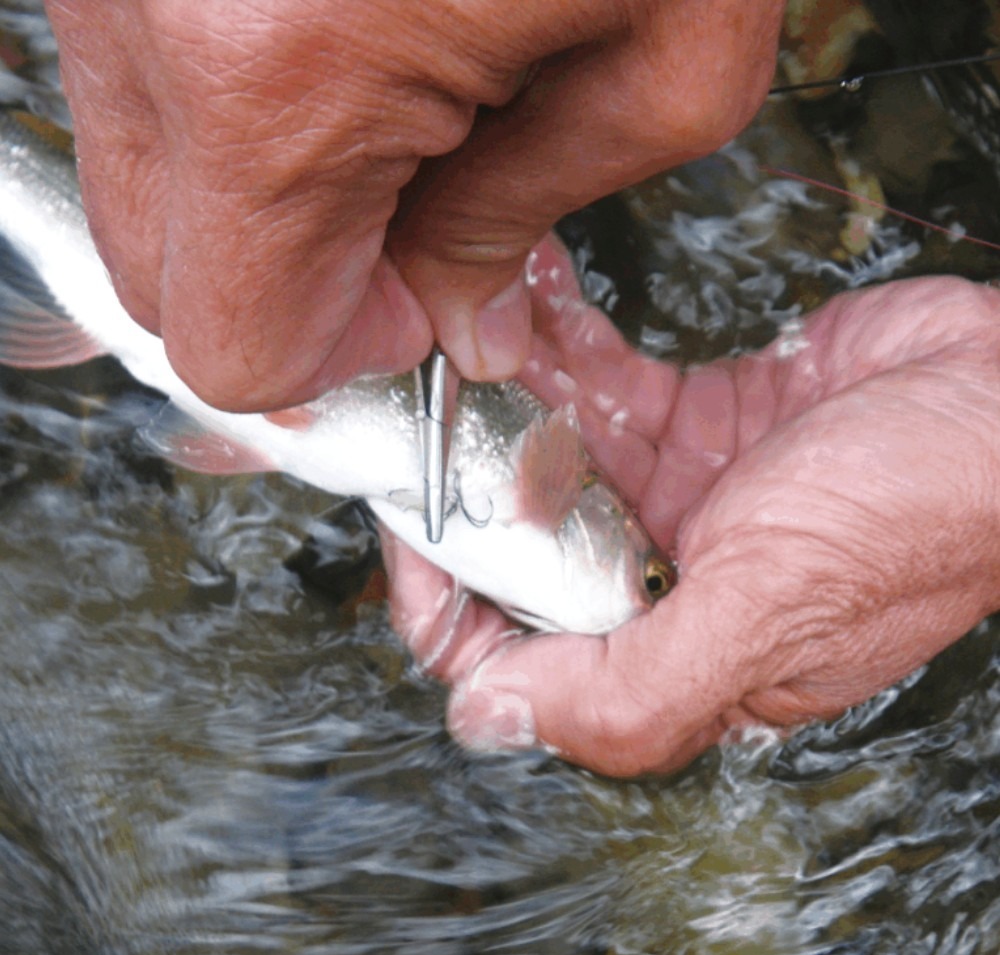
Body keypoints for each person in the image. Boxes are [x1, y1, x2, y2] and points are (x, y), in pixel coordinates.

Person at [46, 0, 1000, 775]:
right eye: (652, 581)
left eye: (656, 580)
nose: (651, 600)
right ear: (575, 511)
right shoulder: (549, 490)